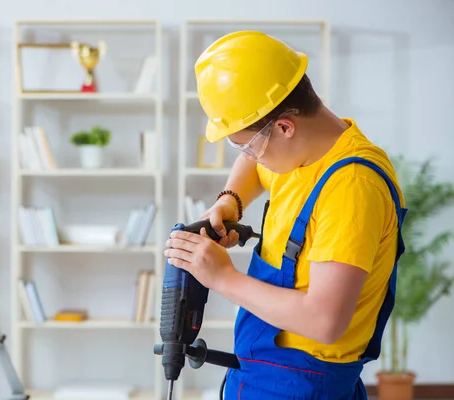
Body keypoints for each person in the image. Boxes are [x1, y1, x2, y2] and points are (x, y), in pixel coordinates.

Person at [163, 31, 408, 399]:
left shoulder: (351, 188)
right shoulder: (304, 151)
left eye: (247, 143)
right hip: (261, 374)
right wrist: (230, 200)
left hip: (303, 386)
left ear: (283, 127)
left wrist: (222, 277)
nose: (251, 155)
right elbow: (252, 162)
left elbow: (325, 321)